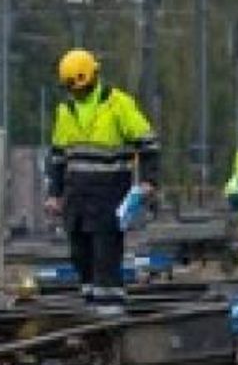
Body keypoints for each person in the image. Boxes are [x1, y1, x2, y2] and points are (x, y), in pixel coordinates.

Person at [45, 47, 159, 315]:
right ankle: (91, 306)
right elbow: (59, 157)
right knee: (80, 254)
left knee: (105, 256)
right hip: (76, 198)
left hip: (109, 196)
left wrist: (149, 181)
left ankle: (110, 313)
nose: (76, 93)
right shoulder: (66, 111)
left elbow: (148, 144)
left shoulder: (118, 104)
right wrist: (55, 193)